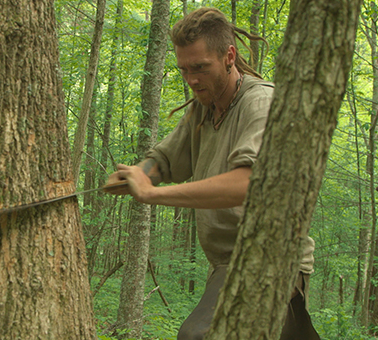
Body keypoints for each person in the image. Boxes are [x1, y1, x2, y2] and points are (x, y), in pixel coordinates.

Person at [105, 7, 319, 340]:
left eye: (200, 68)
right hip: (227, 265)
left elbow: (249, 184)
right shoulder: (202, 110)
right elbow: (165, 159)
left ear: (229, 56)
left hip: (272, 259)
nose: (191, 79)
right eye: (184, 69)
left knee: (199, 336)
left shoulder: (260, 103)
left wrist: (152, 194)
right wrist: (140, 174)